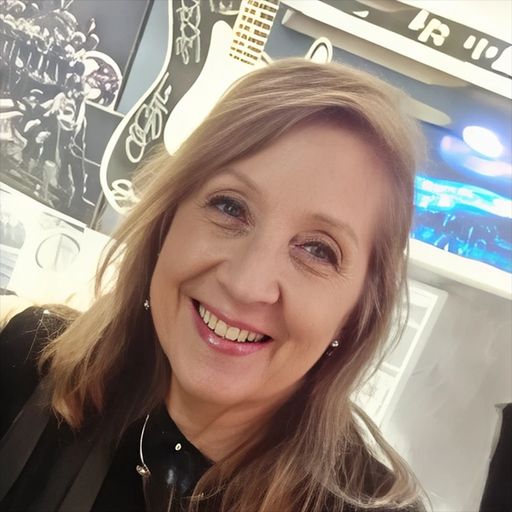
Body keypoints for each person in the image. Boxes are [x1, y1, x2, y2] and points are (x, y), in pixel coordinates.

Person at [0, 58, 426, 512]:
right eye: (230, 207)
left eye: (318, 250)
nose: (246, 284)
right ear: (166, 221)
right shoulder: (29, 364)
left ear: (358, 312)